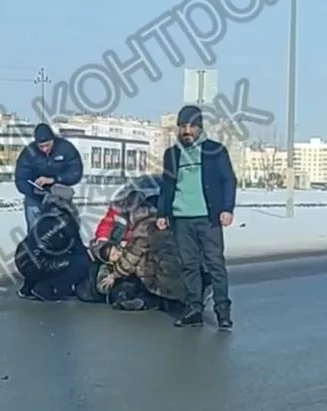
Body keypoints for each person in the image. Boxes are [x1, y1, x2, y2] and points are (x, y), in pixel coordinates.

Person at [156, 104, 238, 330]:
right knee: (188, 265)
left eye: (192, 126)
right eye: (183, 126)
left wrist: (227, 208)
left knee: (215, 264)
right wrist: (163, 212)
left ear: (200, 128)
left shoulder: (215, 151)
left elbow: (229, 180)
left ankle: (222, 311)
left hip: (209, 218)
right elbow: (167, 185)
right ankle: (194, 308)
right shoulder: (172, 155)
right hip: (182, 218)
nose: (187, 131)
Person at [77, 190, 186, 312]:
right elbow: (105, 230)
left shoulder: (143, 226)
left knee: (162, 283)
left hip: (155, 263)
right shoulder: (145, 218)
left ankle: (159, 302)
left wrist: (115, 274)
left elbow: (134, 253)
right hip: (159, 260)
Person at [14, 185, 89, 301]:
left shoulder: (44, 213)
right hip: (38, 263)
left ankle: (28, 288)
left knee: (46, 251)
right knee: (80, 262)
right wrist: (90, 254)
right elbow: (77, 248)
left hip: (22, 257)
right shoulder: (66, 219)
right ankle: (51, 289)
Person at [14, 123, 84, 232]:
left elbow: (76, 172)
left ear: (53, 140)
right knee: (34, 230)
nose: (45, 149)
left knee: (61, 230)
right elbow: (20, 178)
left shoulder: (66, 149)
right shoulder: (28, 153)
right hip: (35, 197)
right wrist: (34, 191)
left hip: (60, 197)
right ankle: (35, 245)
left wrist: (55, 179)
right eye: (41, 146)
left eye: (47, 145)